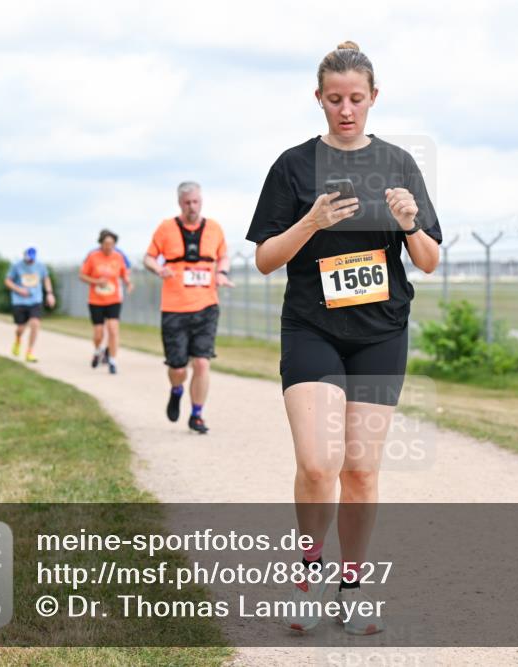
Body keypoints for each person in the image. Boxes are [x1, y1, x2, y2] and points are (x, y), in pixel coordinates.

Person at [246, 41, 441, 636]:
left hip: (381, 331)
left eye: (357, 99)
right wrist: (312, 221)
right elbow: (264, 260)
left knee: (359, 468)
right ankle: (307, 572)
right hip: (312, 325)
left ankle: (351, 582)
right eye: (335, 99)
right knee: (317, 460)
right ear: (319, 99)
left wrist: (408, 223)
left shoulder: (399, 164)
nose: (346, 109)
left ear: (374, 98)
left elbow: (429, 260)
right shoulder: (293, 166)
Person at [143, 181, 233, 434]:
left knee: (202, 363)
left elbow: (223, 255)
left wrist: (222, 273)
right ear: (179, 203)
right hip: (174, 307)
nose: (192, 207)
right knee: (178, 367)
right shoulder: (166, 228)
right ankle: (176, 390)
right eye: (187, 203)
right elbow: (148, 256)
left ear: (201, 201)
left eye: (196, 202)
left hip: (206, 306)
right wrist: (157, 267)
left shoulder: (214, 228)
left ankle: (197, 415)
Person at [80, 229, 133, 374]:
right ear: (101, 244)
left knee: (113, 329)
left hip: (113, 298)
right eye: (106, 243)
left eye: (112, 244)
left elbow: (124, 274)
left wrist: (128, 283)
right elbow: (82, 276)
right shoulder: (93, 257)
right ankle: (98, 351)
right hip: (96, 300)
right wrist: (96, 281)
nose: (109, 246)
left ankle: (112, 360)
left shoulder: (118, 257)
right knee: (98, 333)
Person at [4, 247, 55, 362]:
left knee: (35, 323)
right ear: (24, 256)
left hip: (35, 300)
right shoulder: (16, 266)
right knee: (20, 328)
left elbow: (46, 279)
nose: (30, 261)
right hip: (19, 301)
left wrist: (50, 294)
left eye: (32, 259)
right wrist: (18, 290)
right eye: (28, 259)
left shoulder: (40, 266)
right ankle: (18, 340)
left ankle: (29, 352)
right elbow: (7, 281)